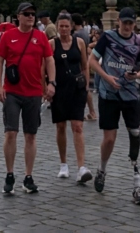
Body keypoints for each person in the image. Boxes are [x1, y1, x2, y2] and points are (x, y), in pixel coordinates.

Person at [90, 6, 140, 205]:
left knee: (135, 134)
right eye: (124, 23)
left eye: (130, 23)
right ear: (118, 22)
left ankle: (137, 182)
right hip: (109, 94)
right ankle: (102, 169)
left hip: (130, 95)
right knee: (109, 139)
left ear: (134, 24)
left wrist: (137, 75)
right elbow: (92, 60)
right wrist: (106, 77)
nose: (127, 26)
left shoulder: (139, 42)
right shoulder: (108, 37)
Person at [0, 1, 56, 195]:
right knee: (10, 133)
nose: (30, 17)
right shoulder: (8, 36)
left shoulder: (41, 37)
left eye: (32, 14)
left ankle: (28, 176)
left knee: (31, 135)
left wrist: (51, 83)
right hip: (12, 92)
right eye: (27, 14)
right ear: (18, 16)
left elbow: (49, 60)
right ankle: (9, 174)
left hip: (34, 92)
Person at [49, 12, 92, 183]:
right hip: (59, 90)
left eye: (67, 26)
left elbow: (85, 65)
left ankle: (81, 167)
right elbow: (44, 67)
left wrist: (86, 85)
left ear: (71, 26)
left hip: (76, 90)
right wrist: (47, 87)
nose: (64, 29)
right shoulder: (52, 44)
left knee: (78, 126)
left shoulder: (79, 42)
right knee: (60, 126)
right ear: (57, 27)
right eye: (61, 26)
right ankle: (63, 164)